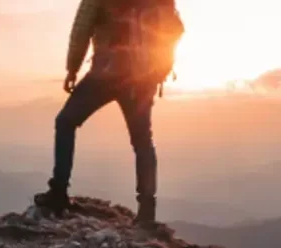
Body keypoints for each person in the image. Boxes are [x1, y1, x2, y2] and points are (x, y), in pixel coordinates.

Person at [34, 0, 185, 224]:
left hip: (106, 73)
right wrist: (158, 69)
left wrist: (73, 68)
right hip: (142, 79)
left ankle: (58, 193)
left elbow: (82, 27)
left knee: (66, 122)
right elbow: (176, 28)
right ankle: (146, 211)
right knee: (142, 141)